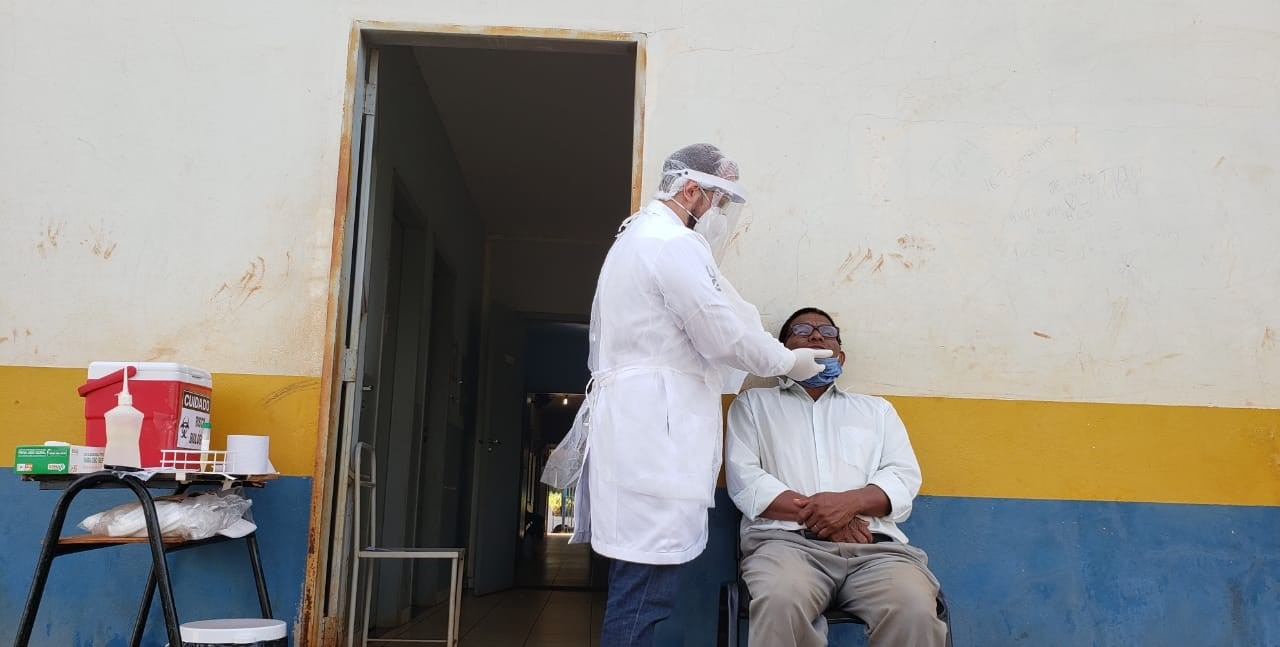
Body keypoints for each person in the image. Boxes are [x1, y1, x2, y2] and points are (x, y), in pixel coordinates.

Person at [570, 144, 833, 646]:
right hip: (655, 442)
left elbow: (726, 310)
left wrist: (765, 343)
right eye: (718, 201)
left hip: (638, 434)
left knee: (639, 590)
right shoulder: (672, 245)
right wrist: (787, 362)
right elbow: (720, 332)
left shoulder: (638, 239)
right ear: (691, 190)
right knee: (643, 595)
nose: (720, 216)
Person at [726, 307, 947, 647]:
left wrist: (849, 504)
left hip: (873, 551)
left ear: (840, 356)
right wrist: (828, 517)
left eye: (827, 333)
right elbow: (747, 482)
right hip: (786, 547)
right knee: (780, 600)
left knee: (914, 607)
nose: (816, 336)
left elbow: (902, 478)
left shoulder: (876, 411)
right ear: (783, 351)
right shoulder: (754, 406)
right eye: (802, 331)